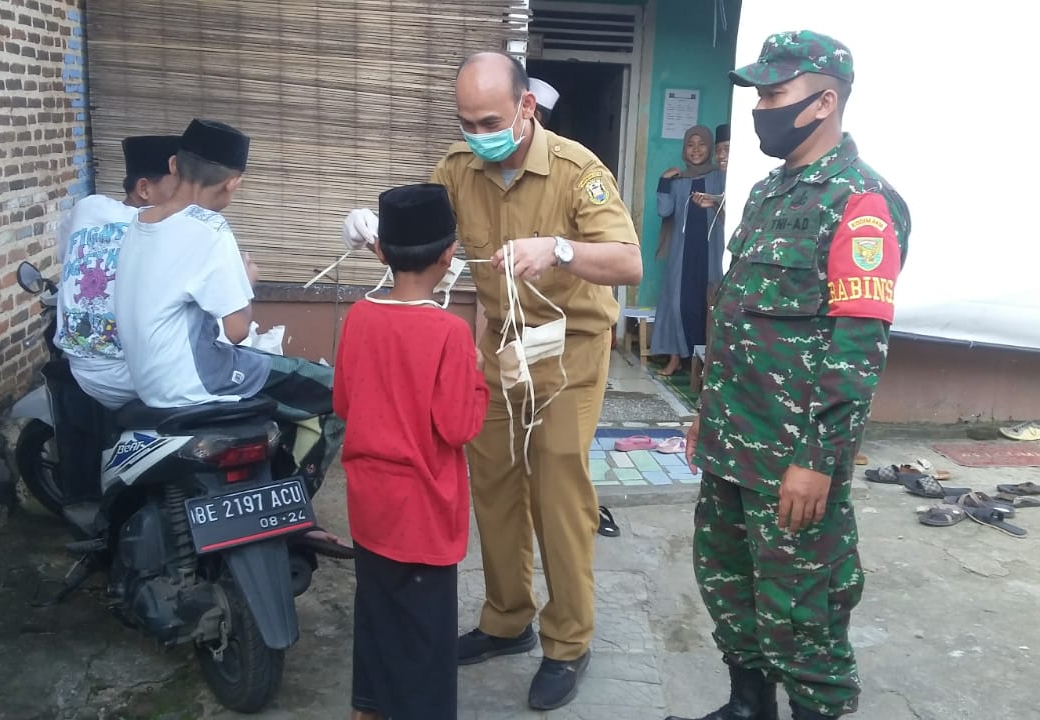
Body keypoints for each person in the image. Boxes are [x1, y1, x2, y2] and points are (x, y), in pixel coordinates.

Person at [343, 51, 642, 711]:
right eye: (466, 121)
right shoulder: (458, 170)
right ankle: (508, 619)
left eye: (489, 120)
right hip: (501, 347)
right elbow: (424, 234)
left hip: (569, 350)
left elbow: (628, 261)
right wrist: (375, 229)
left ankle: (568, 641)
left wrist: (559, 248)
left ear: (525, 109)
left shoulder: (575, 170)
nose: (478, 134)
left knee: (558, 490)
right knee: (494, 485)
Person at [667, 30, 911, 720]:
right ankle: (749, 706)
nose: (760, 108)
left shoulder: (861, 204)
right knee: (729, 590)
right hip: (729, 443)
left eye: (774, 94)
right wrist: (705, 410)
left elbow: (856, 351)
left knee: (802, 619)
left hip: (792, 467)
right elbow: (741, 320)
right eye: (760, 95)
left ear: (824, 102)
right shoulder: (769, 193)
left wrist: (820, 461)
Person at [115, 118, 347, 543]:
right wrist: (246, 282)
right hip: (197, 379)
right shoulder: (210, 230)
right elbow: (238, 331)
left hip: (149, 382)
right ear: (233, 184)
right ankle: (290, 515)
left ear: (174, 164)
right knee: (337, 391)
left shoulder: (139, 222)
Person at [334, 182, 489, 720]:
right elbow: (457, 426)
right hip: (423, 512)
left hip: (370, 505)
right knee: (425, 638)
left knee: (375, 612)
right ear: (450, 255)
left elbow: (345, 403)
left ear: (381, 250)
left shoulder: (358, 317)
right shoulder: (451, 332)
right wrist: (482, 379)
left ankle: (369, 708)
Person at [54, 134, 180, 409]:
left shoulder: (88, 207)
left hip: (84, 370)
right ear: (144, 189)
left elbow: (65, 253)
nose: (185, 200)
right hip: (139, 377)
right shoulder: (167, 227)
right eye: (179, 189)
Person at [652, 125, 725, 378]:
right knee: (678, 304)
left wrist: (714, 200)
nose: (696, 149)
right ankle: (675, 358)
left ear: (710, 148)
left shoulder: (720, 177)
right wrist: (664, 182)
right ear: (684, 149)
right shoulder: (679, 180)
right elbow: (664, 211)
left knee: (708, 305)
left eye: (702, 144)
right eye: (690, 144)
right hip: (682, 254)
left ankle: (708, 364)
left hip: (711, 250)